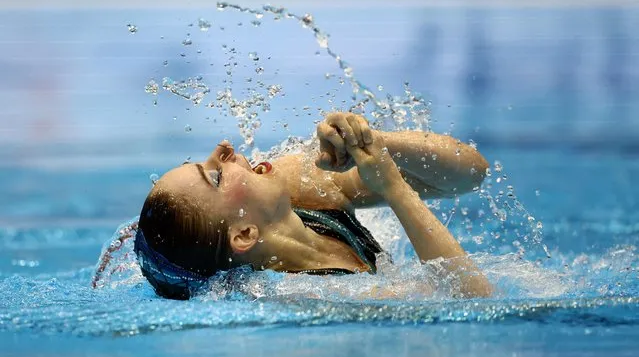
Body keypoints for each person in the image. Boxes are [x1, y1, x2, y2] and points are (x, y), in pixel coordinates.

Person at [130, 112, 493, 300]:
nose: (223, 151)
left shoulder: (299, 189)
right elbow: (473, 298)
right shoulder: (315, 295)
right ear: (244, 233)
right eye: (216, 177)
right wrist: (393, 188)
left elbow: (471, 171)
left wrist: (376, 145)